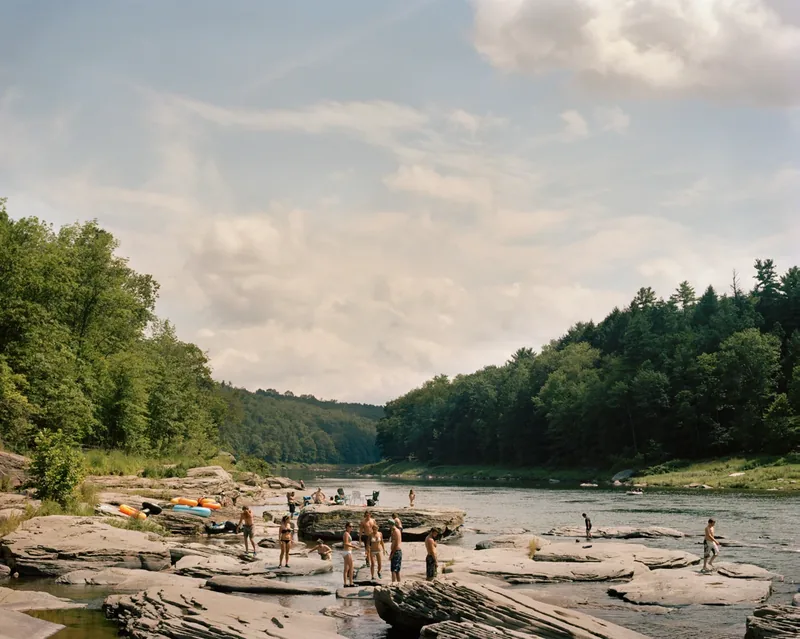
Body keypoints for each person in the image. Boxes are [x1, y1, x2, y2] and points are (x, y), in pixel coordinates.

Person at [342, 522, 357, 587]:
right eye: (350, 526)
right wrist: (354, 546)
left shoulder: (347, 533)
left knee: (346, 568)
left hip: (347, 552)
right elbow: (345, 543)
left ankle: (345, 584)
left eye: (352, 526)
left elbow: (348, 543)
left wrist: (352, 546)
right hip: (347, 552)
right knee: (351, 567)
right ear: (347, 527)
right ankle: (351, 583)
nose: (351, 528)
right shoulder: (346, 534)